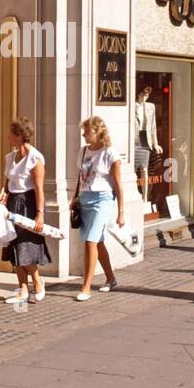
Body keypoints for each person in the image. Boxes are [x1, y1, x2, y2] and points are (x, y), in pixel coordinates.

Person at [0, 117, 51, 304]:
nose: (8, 138)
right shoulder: (10, 158)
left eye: (11, 135)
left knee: (25, 246)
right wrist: (4, 193)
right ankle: (22, 288)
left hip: (28, 203)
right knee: (14, 245)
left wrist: (40, 213)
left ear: (20, 136)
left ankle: (37, 282)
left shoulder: (35, 158)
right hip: (12, 203)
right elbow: (7, 182)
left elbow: (39, 188)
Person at [75, 116, 124, 301]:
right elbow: (80, 176)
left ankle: (86, 287)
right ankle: (111, 279)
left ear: (97, 132)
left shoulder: (110, 153)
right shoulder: (83, 151)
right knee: (98, 241)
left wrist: (121, 212)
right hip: (85, 199)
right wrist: (75, 198)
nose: (83, 134)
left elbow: (118, 184)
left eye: (86, 131)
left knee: (90, 242)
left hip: (103, 199)